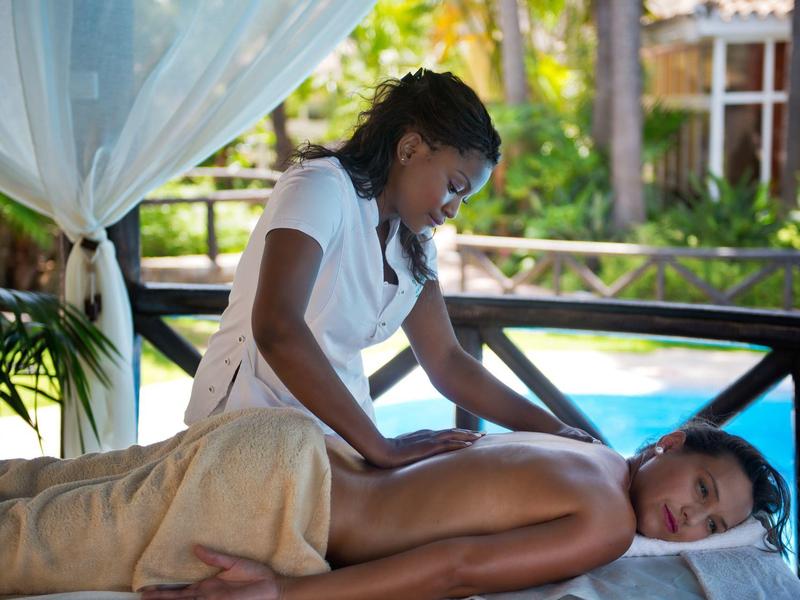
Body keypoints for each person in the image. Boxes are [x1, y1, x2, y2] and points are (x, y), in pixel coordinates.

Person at [184, 68, 596, 468]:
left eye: (464, 198)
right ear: (410, 149)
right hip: (251, 430)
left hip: (341, 440)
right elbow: (277, 326)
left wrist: (557, 429)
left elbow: (447, 361)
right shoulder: (320, 188)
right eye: (454, 187)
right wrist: (381, 448)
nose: (454, 209)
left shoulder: (412, 240)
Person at [1, 409, 789, 597]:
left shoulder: (576, 443)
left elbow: (454, 474)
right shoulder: (609, 522)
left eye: (713, 525)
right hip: (277, 500)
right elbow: (456, 566)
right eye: (703, 490)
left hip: (286, 441)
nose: (692, 521)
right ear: (673, 444)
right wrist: (284, 595)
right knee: (32, 547)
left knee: (42, 486)